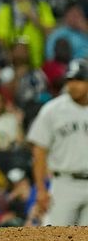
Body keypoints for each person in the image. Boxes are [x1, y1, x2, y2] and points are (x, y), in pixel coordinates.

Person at [27, 57, 88, 226]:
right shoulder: (53, 110)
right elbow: (39, 150)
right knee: (54, 237)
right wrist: (40, 189)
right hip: (64, 184)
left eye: (79, 80)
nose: (73, 85)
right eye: (70, 80)